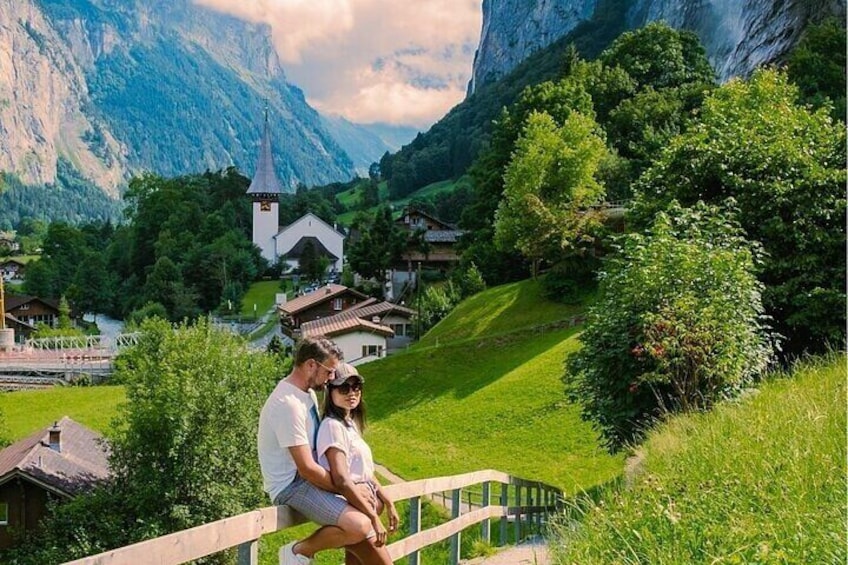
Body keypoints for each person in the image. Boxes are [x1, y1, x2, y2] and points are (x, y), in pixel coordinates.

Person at [257, 335, 392, 565]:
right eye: (328, 371)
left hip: (309, 480)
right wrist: (350, 490)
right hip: (291, 485)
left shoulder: (306, 394)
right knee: (359, 524)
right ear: (311, 364)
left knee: (369, 512)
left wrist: (356, 488)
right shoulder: (287, 403)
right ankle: (299, 551)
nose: (331, 378)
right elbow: (307, 468)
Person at [317, 363, 399, 565]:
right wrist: (373, 518)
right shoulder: (332, 426)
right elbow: (342, 479)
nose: (351, 393)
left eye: (356, 387)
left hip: (361, 510)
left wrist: (386, 500)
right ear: (331, 391)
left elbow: (363, 472)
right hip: (354, 514)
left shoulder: (349, 424)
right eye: (344, 388)